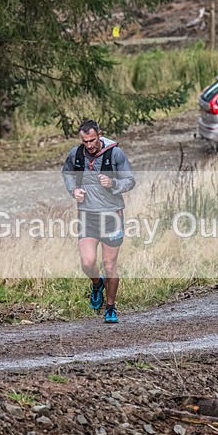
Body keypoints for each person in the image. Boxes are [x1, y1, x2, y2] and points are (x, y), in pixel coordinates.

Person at [62, 119, 136, 323]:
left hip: (112, 216)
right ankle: (97, 283)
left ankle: (110, 308)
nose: (89, 145)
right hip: (87, 215)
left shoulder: (115, 154)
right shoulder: (76, 154)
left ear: (99, 134)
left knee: (109, 264)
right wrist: (73, 190)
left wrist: (113, 183)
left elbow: (130, 181)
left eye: (92, 140)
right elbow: (67, 172)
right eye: (85, 141)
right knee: (87, 263)